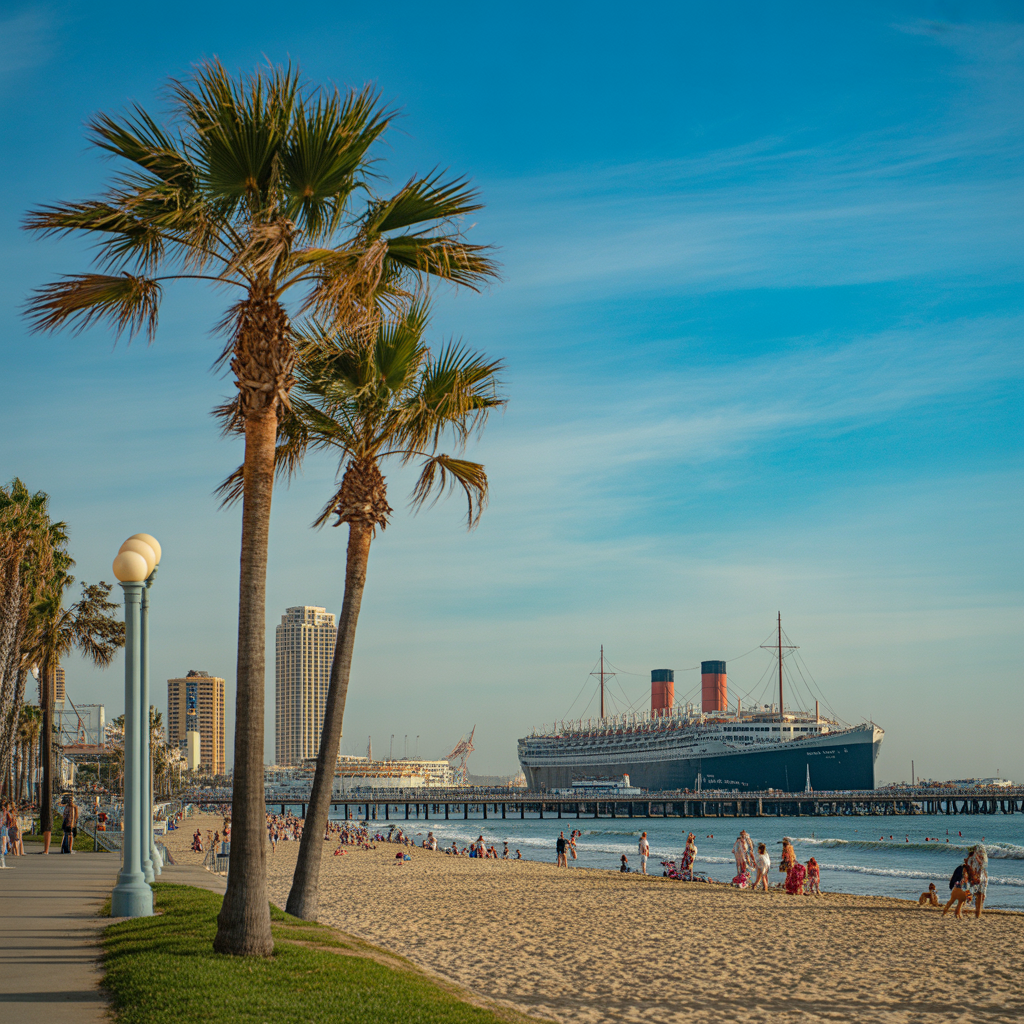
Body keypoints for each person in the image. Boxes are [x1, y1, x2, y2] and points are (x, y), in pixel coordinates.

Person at [967, 844, 988, 919]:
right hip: (977, 878)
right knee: (977, 895)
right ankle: (977, 913)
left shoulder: (982, 859)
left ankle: (978, 913)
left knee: (981, 896)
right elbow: (971, 868)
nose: (980, 852)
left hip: (981, 878)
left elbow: (982, 868)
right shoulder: (972, 858)